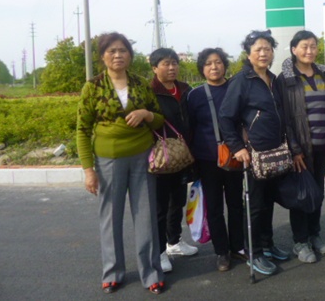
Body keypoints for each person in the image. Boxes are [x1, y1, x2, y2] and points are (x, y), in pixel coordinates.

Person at [77, 32, 166, 295]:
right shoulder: (92, 87)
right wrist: (88, 170)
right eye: (112, 51)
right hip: (108, 160)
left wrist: (146, 114)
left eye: (123, 50)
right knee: (110, 217)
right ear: (103, 56)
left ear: (130, 55)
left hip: (142, 157)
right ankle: (112, 273)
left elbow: (159, 119)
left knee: (146, 216)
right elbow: (82, 130)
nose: (118, 55)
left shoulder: (141, 84)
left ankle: (151, 273)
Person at [219, 30, 290, 276]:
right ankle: (254, 251)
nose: (263, 53)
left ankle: (267, 245)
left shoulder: (273, 79)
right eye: (258, 49)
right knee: (256, 205)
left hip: (275, 152)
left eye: (267, 49)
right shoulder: (242, 80)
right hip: (253, 154)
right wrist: (237, 147)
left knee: (268, 201)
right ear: (248, 54)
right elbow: (226, 117)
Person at [187, 47, 245, 272]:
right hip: (207, 160)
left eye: (218, 62)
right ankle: (222, 251)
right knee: (214, 207)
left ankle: (238, 246)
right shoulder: (195, 95)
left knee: (236, 203)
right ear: (202, 69)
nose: (214, 67)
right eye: (209, 63)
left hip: (235, 156)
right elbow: (191, 128)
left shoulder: (236, 89)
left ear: (224, 65)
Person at [277, 30, 325, 263]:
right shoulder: (286, 79)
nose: (309, 50)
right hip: (301, 149)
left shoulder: (323, 74)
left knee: (317, 193)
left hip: (323, 146)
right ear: (294, 49)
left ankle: (314, 234)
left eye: (313, 46)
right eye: (304, 46)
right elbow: (285, 117)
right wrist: (294, 149)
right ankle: (300, 241)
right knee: (301, 194)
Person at [149, 48, 198, 275]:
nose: (172, 68)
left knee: (177, 201)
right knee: (160, 206)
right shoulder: (150, 92)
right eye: (166, 64)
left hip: (182, 155)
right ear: (154, 68)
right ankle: (159, 252)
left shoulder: (186, 90)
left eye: (175, 63)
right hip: (160, 157)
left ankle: (174, 242)